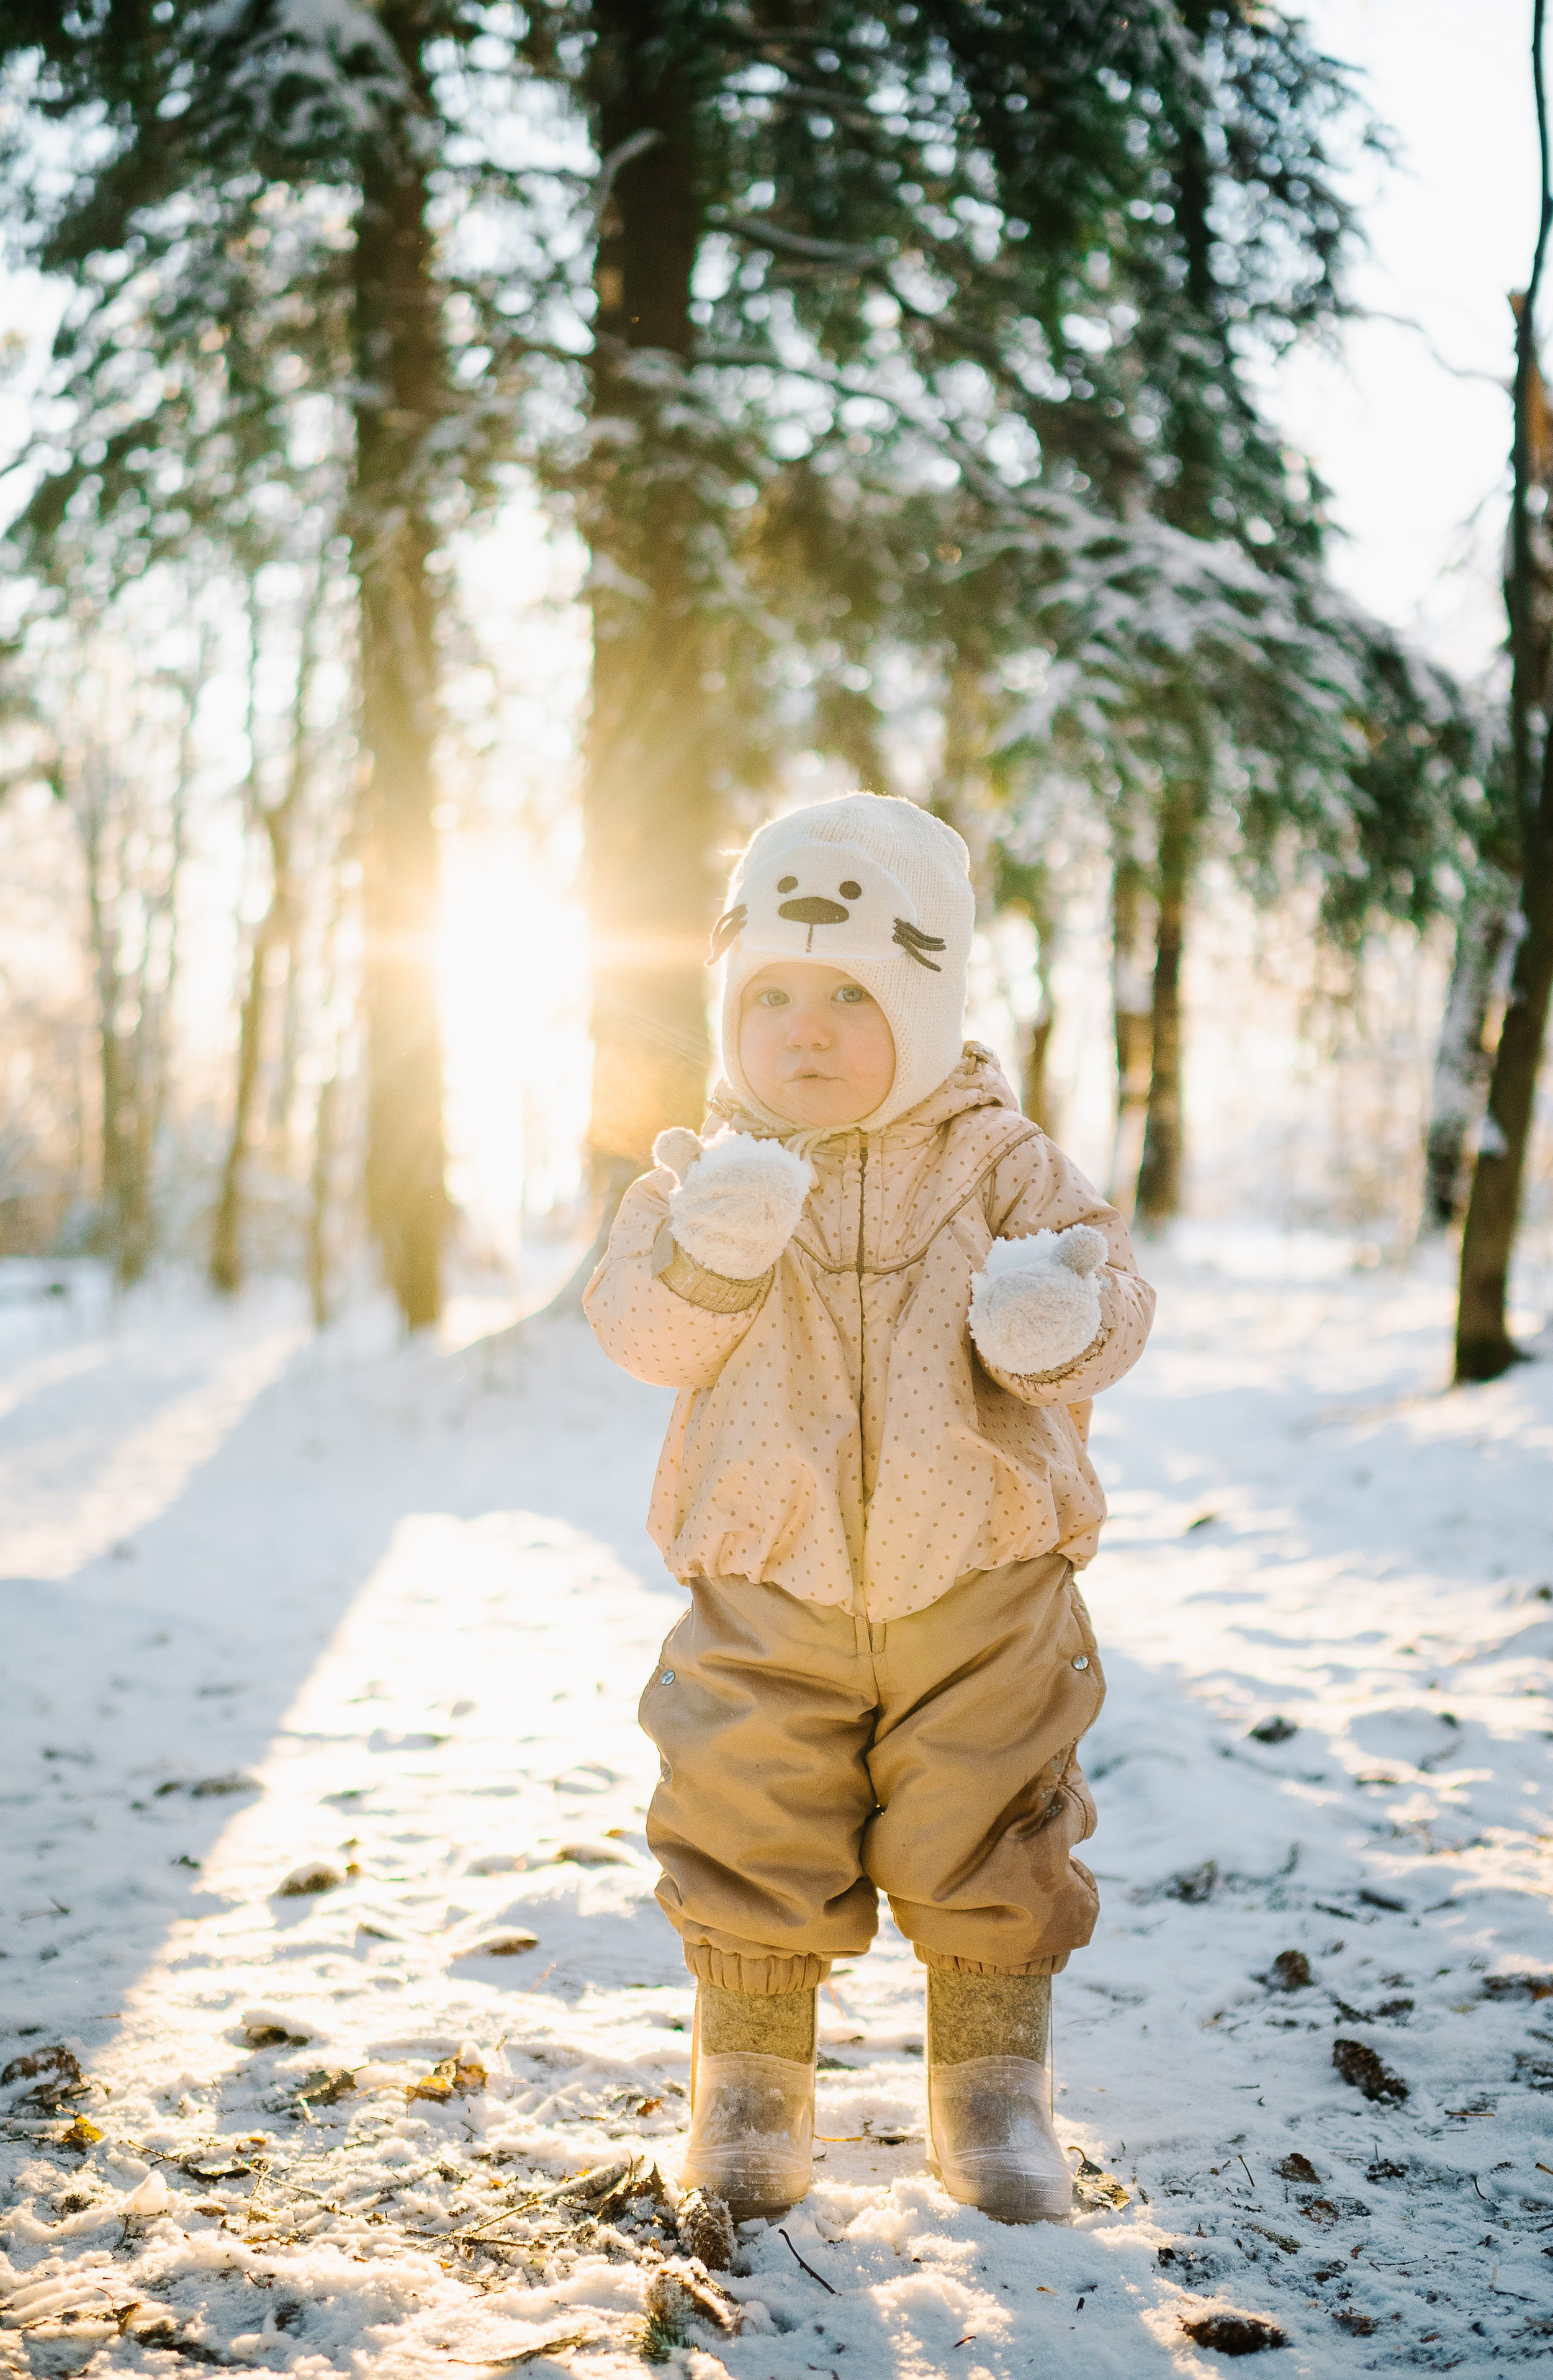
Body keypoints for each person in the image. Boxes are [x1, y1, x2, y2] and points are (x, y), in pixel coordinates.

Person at [585, 792, 1155, 2225]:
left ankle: (990, 2092)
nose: (807, 1028)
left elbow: (1115, 1305)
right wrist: (709, 1264)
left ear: (930, 993)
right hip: (765, 1579)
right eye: (770, 994)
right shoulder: (701, 1176)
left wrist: (1049, 1326)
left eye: (849, 993)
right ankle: (750, 2095)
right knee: (741, 1814)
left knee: (994, 1829)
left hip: (981, 1582)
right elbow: (641, 1335)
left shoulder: (1004, 1161)